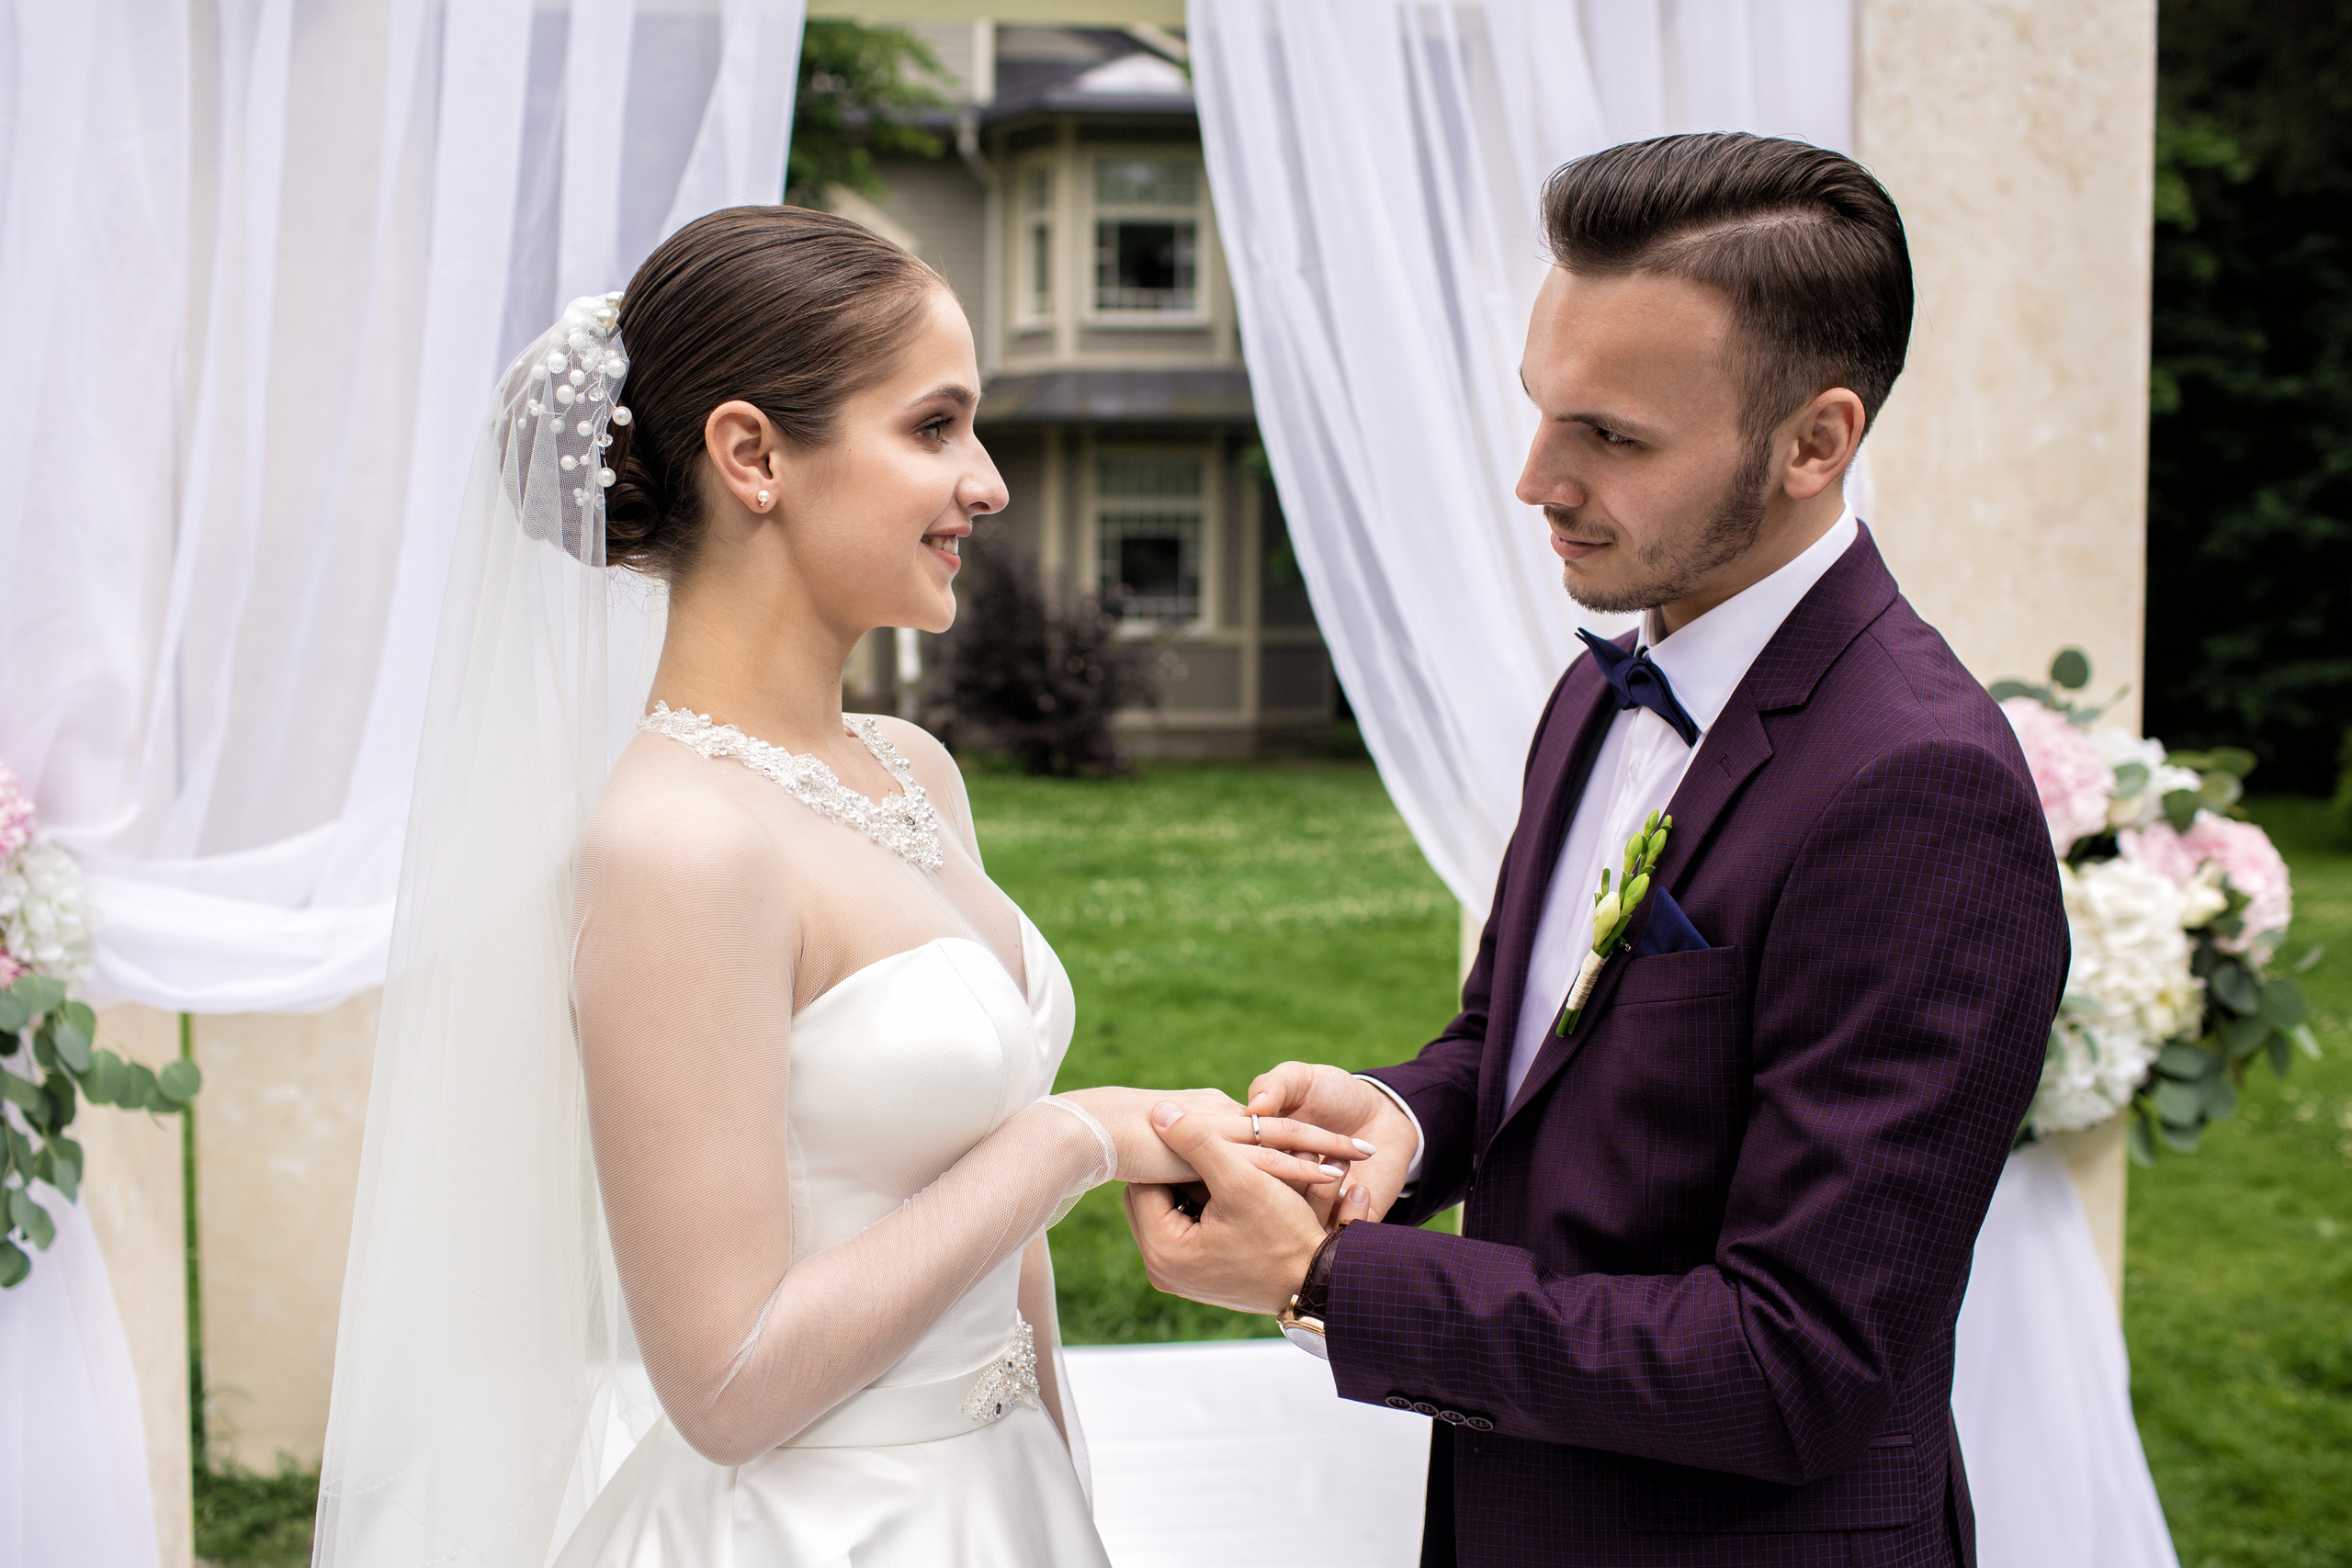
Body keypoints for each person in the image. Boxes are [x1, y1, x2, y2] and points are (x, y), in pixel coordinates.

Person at [312, 207, 1364, 1568]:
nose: (986, 484)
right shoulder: (675, 846)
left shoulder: (912, 768)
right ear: (752, 456)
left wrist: (1063, 1490)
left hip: (1005, 1507)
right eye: (935, 428)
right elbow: (729, 1387)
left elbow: (991, 1220)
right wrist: (1074, 1141)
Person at [1126, 133, 2071, 1568]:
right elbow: (1526, 1039)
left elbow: (1796, 1361)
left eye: (1612, 438)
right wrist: (1407, 1115)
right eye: (1541, 412)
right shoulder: (1601, 687)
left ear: (1816, 442)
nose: (1534, 480)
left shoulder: (1919, 787)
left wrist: (1330, 1278)